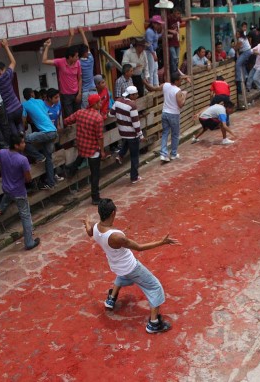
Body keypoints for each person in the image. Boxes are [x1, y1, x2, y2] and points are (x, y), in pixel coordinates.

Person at [82, 198, 179, 333]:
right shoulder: (117, 237)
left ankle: (111, 299)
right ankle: (154, 323)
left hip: (116, 265)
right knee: (155, 286)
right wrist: (162, 242)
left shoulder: (96, 227)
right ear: (113, 213)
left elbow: (89, 232)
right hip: (130, 266)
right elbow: (139, 247)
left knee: (122, 276)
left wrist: (87, 222)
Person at [0, 134, 40, 250]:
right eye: (22, 143)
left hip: (6, 188)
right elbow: (28, 179)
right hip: (19, 191)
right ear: (16, 145)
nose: (24, 144)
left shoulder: (2, 153)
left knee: (7, 197)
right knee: (25, 216)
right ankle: (29, 242)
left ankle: (0, 210)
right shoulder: (22, 160)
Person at [63, 94, 107, 205]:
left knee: (81, 157)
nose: (101, 104)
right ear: (95, 104)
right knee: (95, 174)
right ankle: (95, 197)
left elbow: (67, 121)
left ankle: (71, 170)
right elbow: (100, 137)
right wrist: (102, 151)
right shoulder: (98, 118)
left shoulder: (80, 112)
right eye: (99, 102)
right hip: (93, 148)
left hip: (82, 145)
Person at [21, 88, 58, 190]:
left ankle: (39, 156)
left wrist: (24, 127)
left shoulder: (24, 105)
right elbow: (45, 112)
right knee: (49, 159)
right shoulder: (41, 101)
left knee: (24, 140)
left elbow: (23, 121)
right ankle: (51, 183)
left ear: (24, 97)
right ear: (32, 94)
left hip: (46, 132)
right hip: (53, 131)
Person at [149, 72, 188, 162]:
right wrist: (184, 95)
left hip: (165, 113)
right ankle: (173, 154)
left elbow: (155, 88)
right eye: (180, 80)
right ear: (176, 81)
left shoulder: (165, 85)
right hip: (174, 114)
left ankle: (163, 153)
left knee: (165, 133)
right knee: (175, 134)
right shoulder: (177, 91)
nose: (181, 81)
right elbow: (181, 104)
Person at [111, 86, 143, 184]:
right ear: (131, 95)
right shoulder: (132, 106)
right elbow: (136, 123)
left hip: (122, 131)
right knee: (134, 156)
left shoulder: (117, 101)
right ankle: (134, 177)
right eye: (136, 94)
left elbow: (111, 114)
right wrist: (140, 135)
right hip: (132, 133)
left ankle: (120, 155)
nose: (137, 96)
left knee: (127, 142)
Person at [42, 39, 82, 118]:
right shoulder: (60, 62)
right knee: (70, 117)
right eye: (76, 56)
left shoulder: (78, 63)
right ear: (70, 57)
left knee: (79, 115)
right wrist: (47, 47)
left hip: (76, 93)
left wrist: (79, 93)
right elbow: (44, 61)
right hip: (66, 95)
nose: (78, 58)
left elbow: (80, 78)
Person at [0, 39, 25, 136]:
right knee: (19, 123)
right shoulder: (6, 76)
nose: (4, 70)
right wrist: (6, 46)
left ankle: (17, 139)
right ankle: (21, 134)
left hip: (8, 112)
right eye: (3, 69)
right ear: (0, 71)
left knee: (13, 131)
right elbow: (13, 62)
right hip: (18, 107)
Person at [74, 27, 97, 109]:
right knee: (96, 111)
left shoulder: (78, 63)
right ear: (85, 53)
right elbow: (87, 45)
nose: (88, 52)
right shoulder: (91, 59)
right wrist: (82, 32)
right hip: (93, 90)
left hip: (85, 92)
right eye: (87, 51)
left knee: (85, 112)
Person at [145, 15, 164, 86]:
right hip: (149, 52)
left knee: (155, 69)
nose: (159, 26)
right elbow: (149, 44)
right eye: (158, 24)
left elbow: (156, 37)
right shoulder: (149, 31)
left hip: (153, 51)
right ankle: (151, 86)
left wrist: (161, 34)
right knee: (151, 69)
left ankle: (156, 84)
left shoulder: (154, 31)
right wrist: (153, 54)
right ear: (153, 24)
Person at [235, 29, 253, 94]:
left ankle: (239, 79)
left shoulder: (240, 39)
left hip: (246, 52)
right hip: (247, 52)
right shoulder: (244, 38)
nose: (236, 35)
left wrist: (234, 46)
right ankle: (245, 76)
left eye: (237, 34)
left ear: (240, 34)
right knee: (242, 65)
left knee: (238, 64)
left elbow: (236, 48)